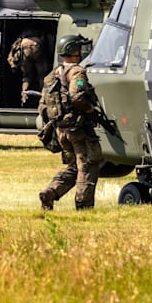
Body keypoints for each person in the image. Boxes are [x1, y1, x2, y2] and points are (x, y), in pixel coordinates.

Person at [38, 34, 104, 210]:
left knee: (75, 166)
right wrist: (90, 110)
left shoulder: (52, 75)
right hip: (78, 129)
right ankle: (83, 205)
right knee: (88, 165)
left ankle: (51, 192)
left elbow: (43, 106)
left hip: (61, 130)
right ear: (74, 50)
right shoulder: (77, 71)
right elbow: (77, 96)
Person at [7, 33, 49, 106]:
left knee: (33, 75)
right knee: (43, 75)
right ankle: (44, 96)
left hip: (26, 47)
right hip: (36, 45)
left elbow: (26, 74)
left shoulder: (22, 46)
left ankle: (29, 95)